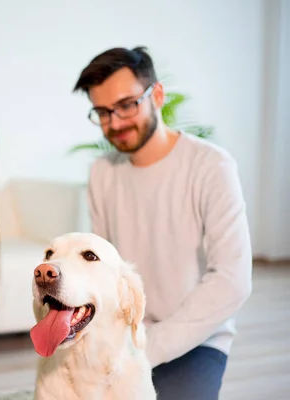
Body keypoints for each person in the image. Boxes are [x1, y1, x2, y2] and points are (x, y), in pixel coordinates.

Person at [72, 46, 253, 399]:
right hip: (122, 332)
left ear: (156, 94)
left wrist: (143, 351)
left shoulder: (211, 166)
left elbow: (232, 281)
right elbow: (103, 272)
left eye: (126, 105)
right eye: (103, 112)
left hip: (197, 337)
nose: (115, 122)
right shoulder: (102, 173)